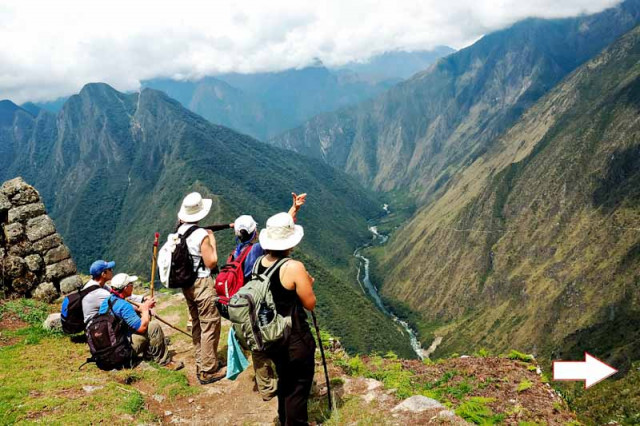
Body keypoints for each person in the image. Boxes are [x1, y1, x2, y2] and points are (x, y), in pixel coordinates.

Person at [229, 193, 307, 401]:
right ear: (255, 233)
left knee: (258, 347)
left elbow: (277, 234)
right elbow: (280, 238)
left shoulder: (237, 252)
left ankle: (266, 387)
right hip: (263, 304)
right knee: (273, 339)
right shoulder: (257, 250)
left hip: (246, 304)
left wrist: (294, 210)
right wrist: (294, 211)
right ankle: (287, 384)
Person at [257, 212, 317, 426]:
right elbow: (310, 304)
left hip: (271, 337)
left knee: (285, 382)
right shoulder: (293, 267)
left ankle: (284, 420)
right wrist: (309, 283)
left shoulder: (259, 264)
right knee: (298, 389)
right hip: (295, 338)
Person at [176, 192, 225, 384]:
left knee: (197, 322)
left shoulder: (179, 232)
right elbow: (211, 262)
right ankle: (208, 370)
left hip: (186, 284)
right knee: (210, 324)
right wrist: (212, 241)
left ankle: (201, 361)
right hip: (202, 283)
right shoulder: (201, 235)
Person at [96, 273, 183, 370]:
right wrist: (145, 309)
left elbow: (125, 310)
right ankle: (165, 362)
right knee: (153, 327)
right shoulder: (124, 306)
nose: (132, 286)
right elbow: (142, 328)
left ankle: (149, 354)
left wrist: (141, 308)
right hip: (121, 352)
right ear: (125, 288)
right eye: (131, 285)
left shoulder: (108, 301)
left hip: (108, 349)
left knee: (139, 319)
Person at [82, 259, 144, 326]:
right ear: (103, 274)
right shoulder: (98, 293)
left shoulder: (98, 284)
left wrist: (143, 298)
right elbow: (119, 303)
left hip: (101, 321)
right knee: (133, 315)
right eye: (110, 269)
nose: (112, 271)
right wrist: (142, 308)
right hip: (97, 327)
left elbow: (117, 293)